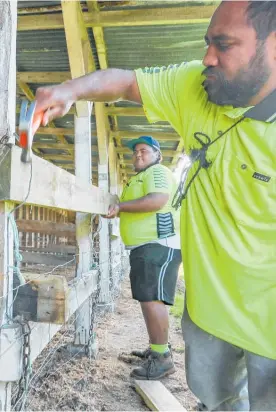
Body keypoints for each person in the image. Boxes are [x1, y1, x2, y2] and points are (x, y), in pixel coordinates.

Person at [34, 1, 276, 409]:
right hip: (207, 313)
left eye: (224, 44)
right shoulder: (196, 87)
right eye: (206, 43)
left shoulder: (157, 176)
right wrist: (70, 90)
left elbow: (160, 200)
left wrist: (120, 210)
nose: (207, 57)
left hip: (268, 325)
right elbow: (126, 82)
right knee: (215, 399)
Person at [106, 135, 181, 379]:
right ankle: (158, 349)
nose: (138, 154)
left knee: (152, 299)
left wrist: (121, 207)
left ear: (157, 155)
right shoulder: (139, 178)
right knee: (148, 298)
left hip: (157, 244)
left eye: (144, 151)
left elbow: (157, 200)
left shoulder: (158, 171)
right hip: (146, 247)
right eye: (135, 151)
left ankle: (162, 360)